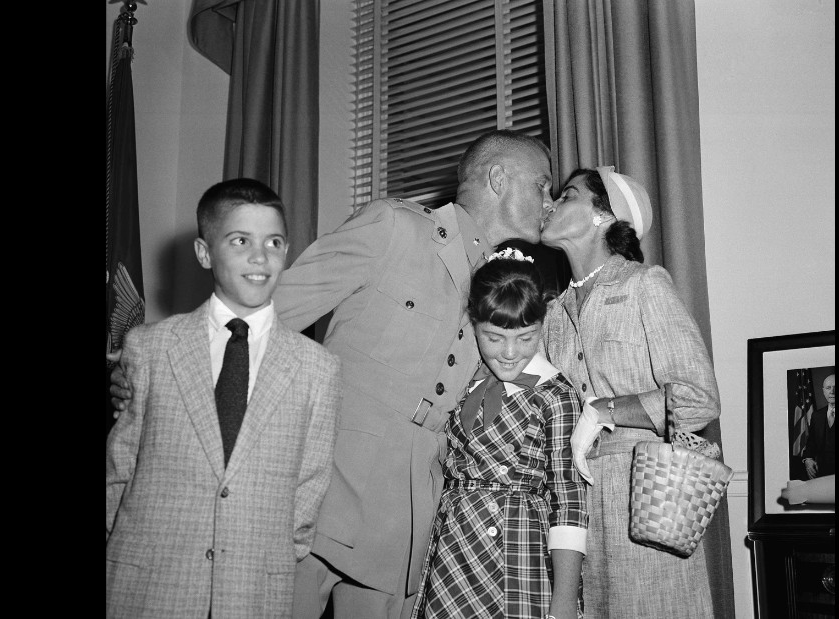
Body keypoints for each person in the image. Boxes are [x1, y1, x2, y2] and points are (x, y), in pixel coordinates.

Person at [110, 130, 554, 619]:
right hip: (327, 488)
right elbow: (267, 313)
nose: (548, 202)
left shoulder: (503, 286)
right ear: (498, 178)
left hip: (409, 516)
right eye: (542, 185)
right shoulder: (395, 227)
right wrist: (163, 379)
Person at [105, 178, 343, 618]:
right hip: (148, 583)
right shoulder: (151, 347)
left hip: (253, 587)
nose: (260, 257)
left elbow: (309, 484)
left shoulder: (317, 367)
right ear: (204, 252)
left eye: (274, 242)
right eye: (240, 241)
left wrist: (272, 553)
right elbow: (120, 467)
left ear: (287, 252)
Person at [539, 166, 721, 618]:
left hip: (646, 500)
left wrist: (604, 410)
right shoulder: (552, 313)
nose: (552, 203)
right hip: (573, 506)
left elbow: (697, 397)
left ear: (603, 215)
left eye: (568, 195)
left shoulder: (645, 285)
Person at [411, 248, 586, 619]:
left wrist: (565, 600)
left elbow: (569, 502)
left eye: (526, 338)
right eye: (493, 337)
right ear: (472, 322)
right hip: (456, 546)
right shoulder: (456, 381)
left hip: (523, 552)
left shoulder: (555, 394)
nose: (509, 353)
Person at [802, 373, 835, 479]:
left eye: (835, 388)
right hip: (822, 473)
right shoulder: (817, 415)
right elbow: (812, 442)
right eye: (828, 388)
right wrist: (808, 459)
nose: (832, 392)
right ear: (823, 390)